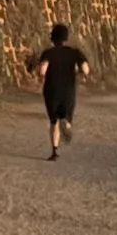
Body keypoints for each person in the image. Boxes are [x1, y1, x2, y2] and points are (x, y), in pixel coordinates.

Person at [36, 23, 90, 160]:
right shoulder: (74, 53)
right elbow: (85, 69)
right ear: (66, 38)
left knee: (53, 121)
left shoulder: (48, 53)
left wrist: (41, 77)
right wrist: (82, 75)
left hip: (51, 90)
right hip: (68, 90)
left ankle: (54, 151)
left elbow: (43, 69)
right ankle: (66, 122)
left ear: (52, 38)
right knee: (65, 115)